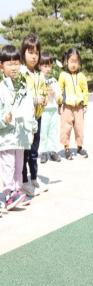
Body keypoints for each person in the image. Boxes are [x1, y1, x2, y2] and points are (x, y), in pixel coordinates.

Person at [0, 45, 37, 210]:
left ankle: (17, 192)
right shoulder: (1, 89)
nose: (13, 67)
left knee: (18, 166)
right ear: (1, 66)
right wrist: (4, 119)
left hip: (21, 136)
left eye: (16, 63)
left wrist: (33, 126)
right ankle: (7, 194)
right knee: (8, 166)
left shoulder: (23, 86)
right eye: (9, 64)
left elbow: (29, 110)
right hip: (7, 137)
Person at [20, 34, 48, 197]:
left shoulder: (39, 74)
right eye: (30, 52)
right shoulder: (21, 73)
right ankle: (24, 181)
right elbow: (22, 95)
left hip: (38, 117)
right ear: (23, 53)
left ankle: (35, 179)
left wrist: (44, 99)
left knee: (34, 150)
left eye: (36, 53)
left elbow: (43, 91)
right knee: (25, 151)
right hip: (25, 120)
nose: (34, 56)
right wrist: (35, 99)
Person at [58, 48, 88, 160]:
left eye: (76, 61)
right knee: (66, 128)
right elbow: (59, 90)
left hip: (79, 107)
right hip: (67, 107)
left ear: (79, 62)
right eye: (71, 61)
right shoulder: (63, 75)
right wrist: (59, 104)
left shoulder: (81, 76)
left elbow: (85, 91)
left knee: (79, 127)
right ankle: (66, 148)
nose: (73, 64)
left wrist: (85, 105)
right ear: (67, 61)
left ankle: (79, 147)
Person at [39, 52, 61, 163]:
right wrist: (45, 93)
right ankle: (43, 151)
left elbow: (59, 94)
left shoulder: (53, 80)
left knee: (53, 131)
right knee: (43, 131)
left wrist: (54, 93)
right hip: (44, 110)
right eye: (45, 66)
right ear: (40, 66)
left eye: (49, 66)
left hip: (53, 109)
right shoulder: (39, 79)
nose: (47, 68)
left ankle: (52, 151)